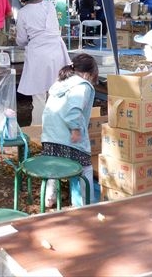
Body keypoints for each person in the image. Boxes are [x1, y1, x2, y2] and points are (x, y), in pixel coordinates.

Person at [40, 53, 99, 208]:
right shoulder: (81, 86)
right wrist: (76, 129)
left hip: (49, 138)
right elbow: (73, 110)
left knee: (54, 166)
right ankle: (88, 203)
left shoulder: (59, 84)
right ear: (88, 74)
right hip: (68, 139)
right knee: (85, 169)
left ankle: (49, 198)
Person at [14, 0, 71, 126]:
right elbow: (53, 29)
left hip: (38, 54)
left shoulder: (23, 12)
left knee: (39, 97)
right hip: (56, 51)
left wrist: (24, 40)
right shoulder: (49, 5)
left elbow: (21, 39)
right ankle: (57, 127)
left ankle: (38, 132)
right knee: (56, 90)